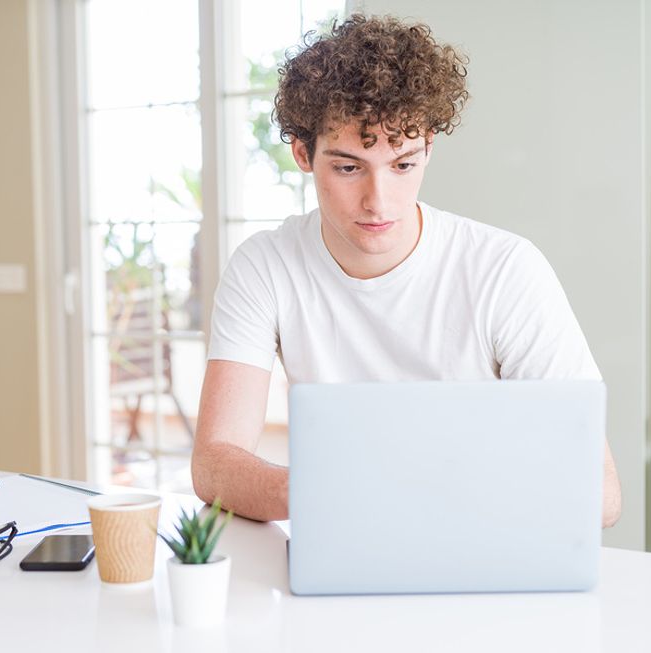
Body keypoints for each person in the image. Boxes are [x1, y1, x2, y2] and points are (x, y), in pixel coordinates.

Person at [191, 14, 622, 528]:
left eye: (402, 165)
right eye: (349, 168)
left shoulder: (505, 269)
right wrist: (316, 489)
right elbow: (214, 463)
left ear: (428, 148)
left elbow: (600, 496)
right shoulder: (265, 267)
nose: (379, 202)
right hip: (346, 545)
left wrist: (436, 495)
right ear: (303, 154)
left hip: (485, 546)